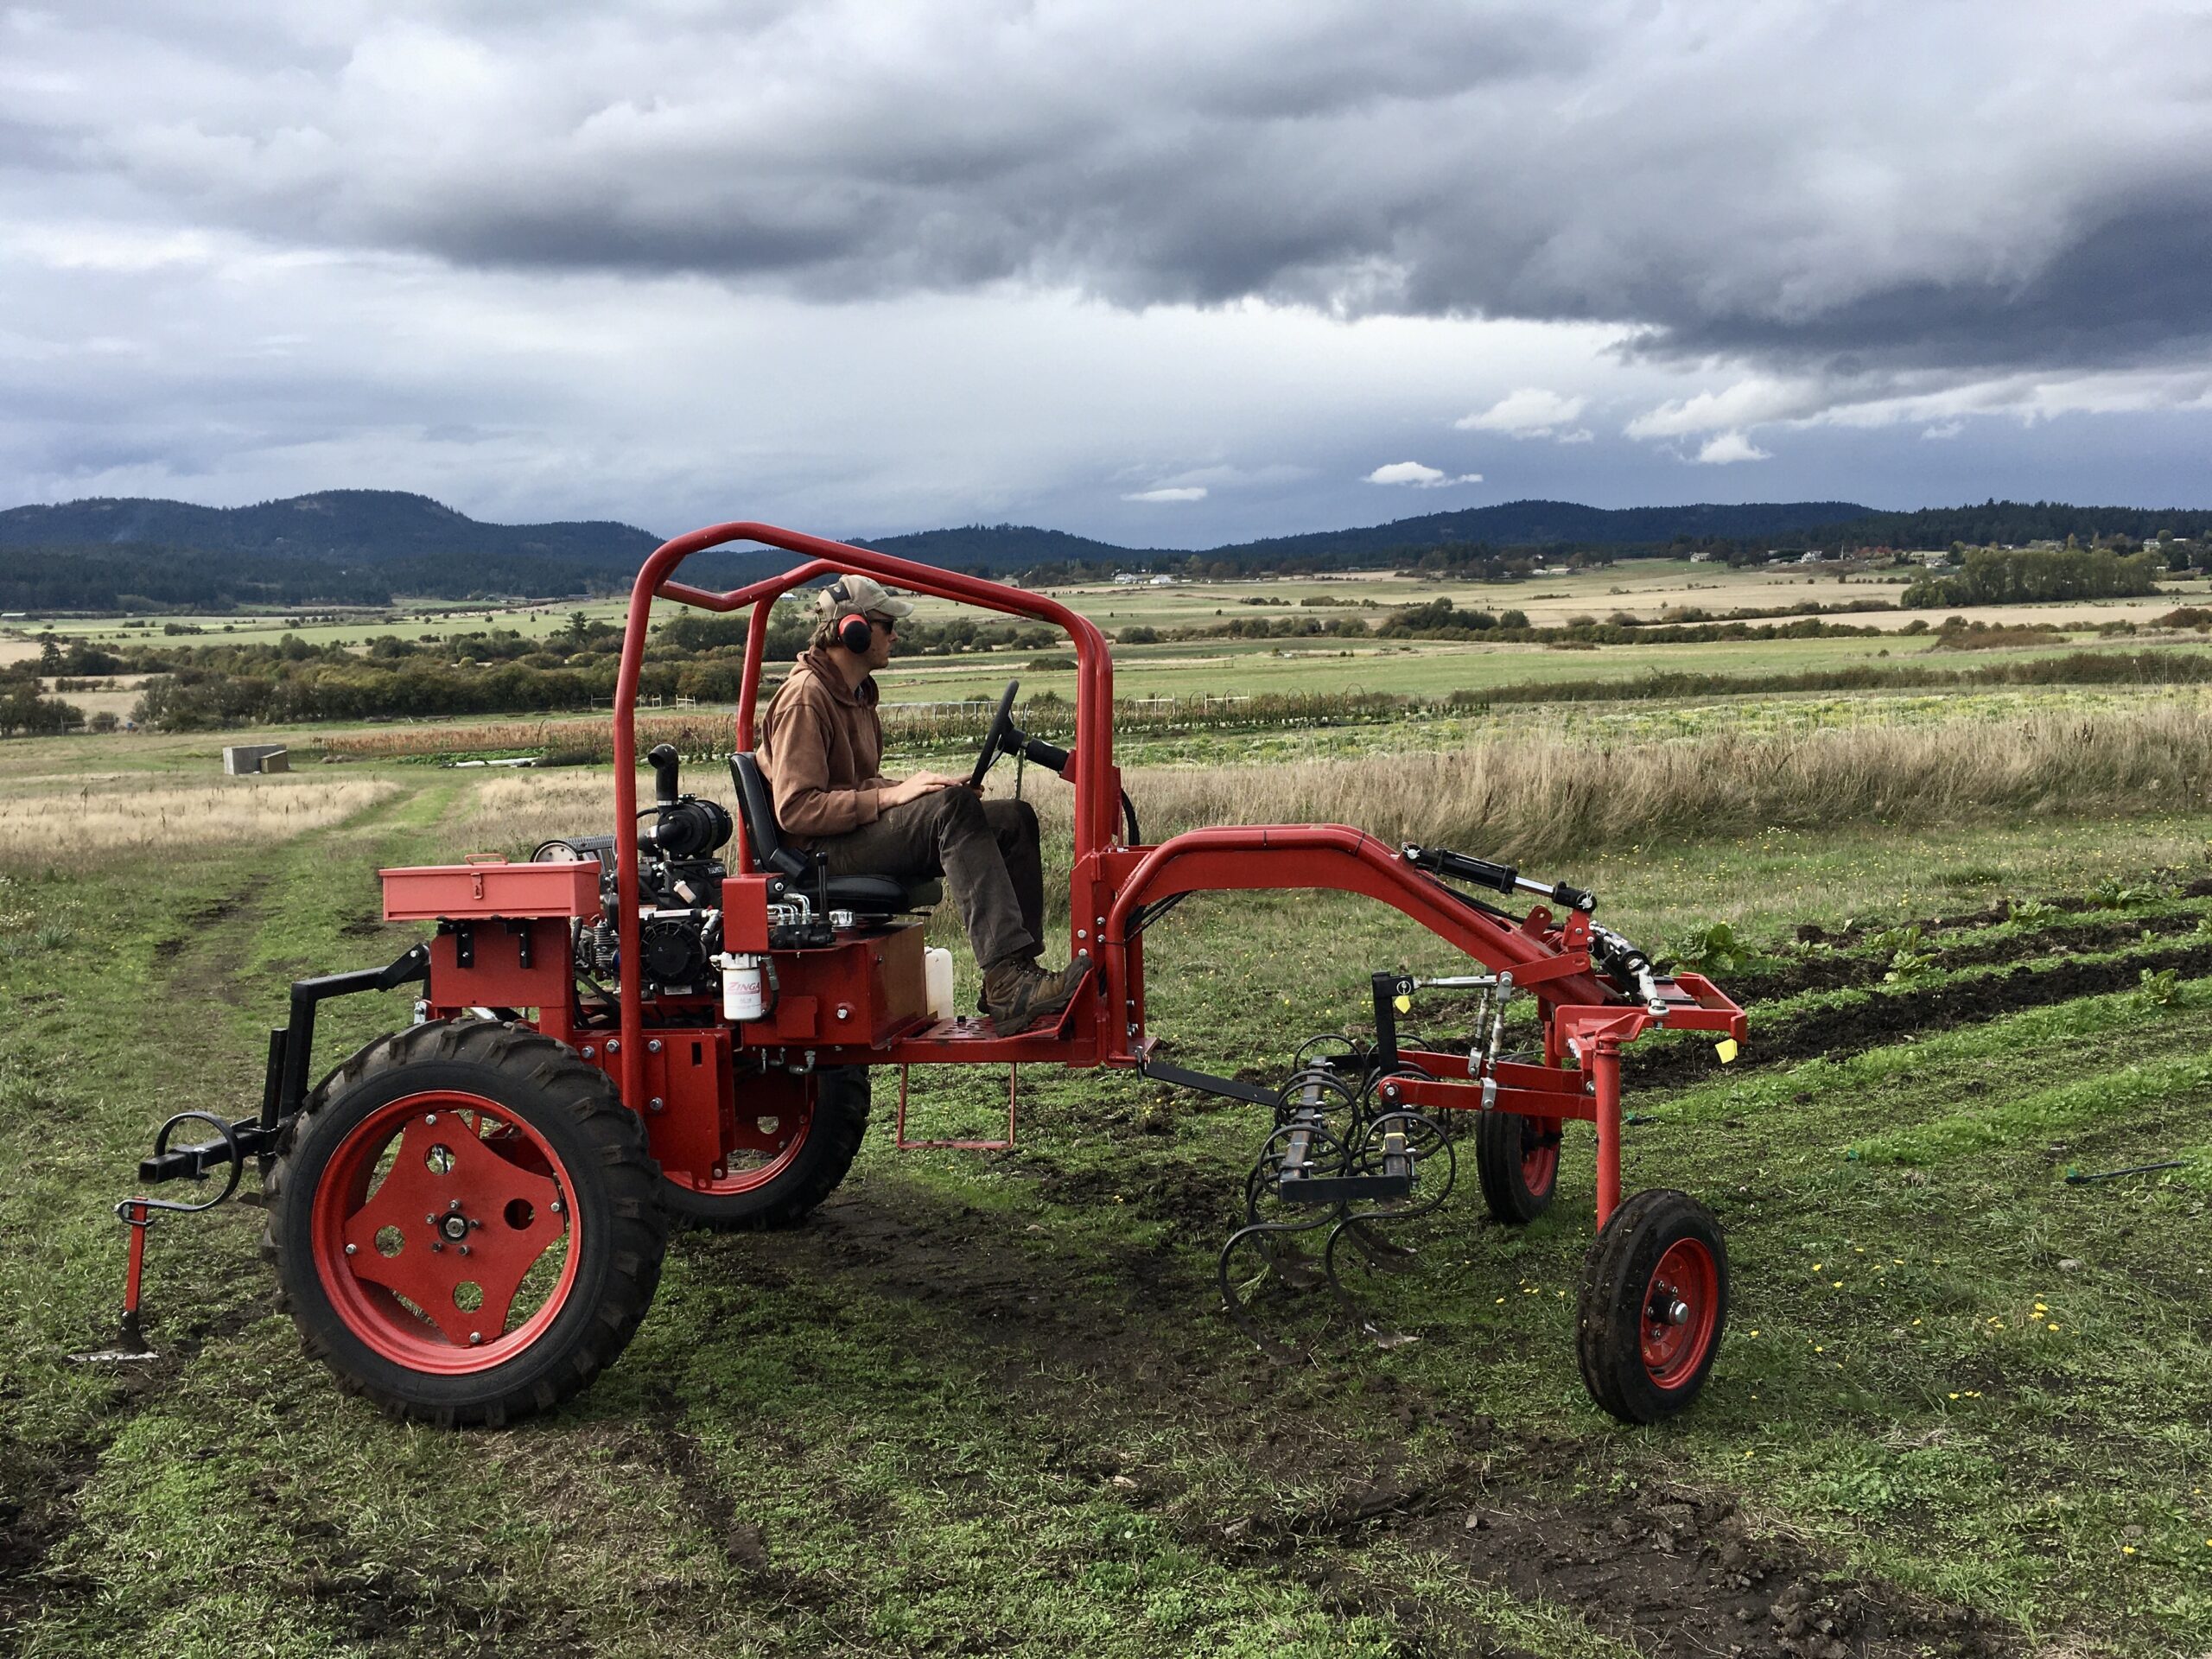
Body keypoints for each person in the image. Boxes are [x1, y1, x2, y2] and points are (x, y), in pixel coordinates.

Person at [756, 575, 1090, 1034]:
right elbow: (796, 809)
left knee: (1012, 818)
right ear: (852, 630)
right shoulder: (805, 699)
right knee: (953, 808)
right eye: (886, 624)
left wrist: (919, 788)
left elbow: (858, 783)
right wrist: (895, 796)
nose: (894, 635)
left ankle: (1014, 977)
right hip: (818, 853)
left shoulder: (855, 696)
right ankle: (1008, 981)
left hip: (848, 835)